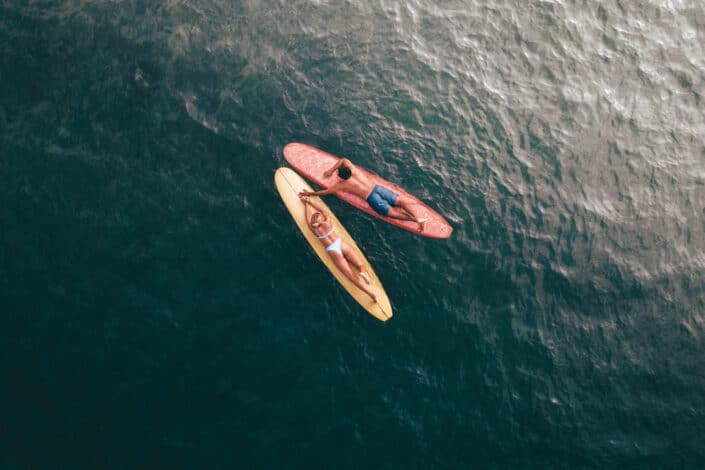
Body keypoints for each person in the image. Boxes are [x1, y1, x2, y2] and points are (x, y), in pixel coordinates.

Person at [298, 157, 429, 232]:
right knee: (401, 202)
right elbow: (343, 159)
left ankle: (416, 220)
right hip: (379, 188)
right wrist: (332, 169)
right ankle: (418, 217)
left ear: (341, 177)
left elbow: (325, 192)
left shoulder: (342, 185)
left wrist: (310, 193)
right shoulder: (353, 169)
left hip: (373, 198)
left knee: (393, 214)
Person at [299, 194, 377, 302]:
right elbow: (322, 210)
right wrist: (310, 201)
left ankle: (371, 294)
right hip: (340, 243)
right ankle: (363, 272)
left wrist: (306, 204)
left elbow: (308, 218)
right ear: (320, 218)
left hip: (333, 250)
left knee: (350, 276)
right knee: (360, 264)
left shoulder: (314, 229)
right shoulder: (327, 222)